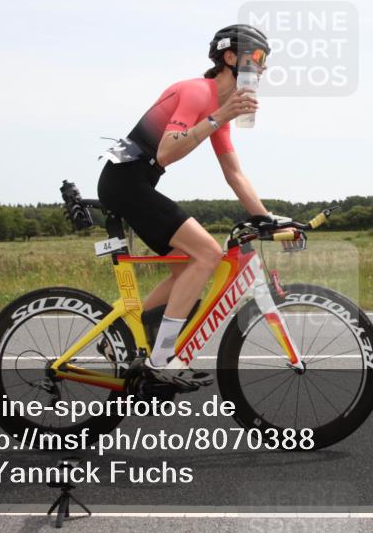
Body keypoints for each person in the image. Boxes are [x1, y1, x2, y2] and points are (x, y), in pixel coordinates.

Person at [97, 24, 275, 389]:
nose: (263, 68)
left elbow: (234, 174)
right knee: (208, 253)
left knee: (187, 271)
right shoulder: (197, 92)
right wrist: (218, 118)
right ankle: (163, 357)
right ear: (230, 58)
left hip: (136, 183)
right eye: (257, 58)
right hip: (125, 182)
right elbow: (166, 151)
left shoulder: (218, 110)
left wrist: (267, 219)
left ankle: (116, 337)